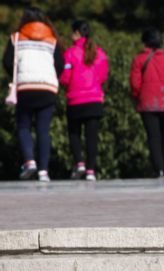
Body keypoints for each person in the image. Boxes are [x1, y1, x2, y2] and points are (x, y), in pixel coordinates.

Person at [3, 7, 63, 182]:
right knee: (43, 130)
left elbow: (7, 62)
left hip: (25, 87)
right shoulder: (52, 40)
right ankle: (44, 171)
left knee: (23, 126)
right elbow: (60, 64)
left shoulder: (16, 38)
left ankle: (29, 162)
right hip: (47, 87)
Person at [130, 28, 164, 178]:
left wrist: (137, 97)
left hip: (147, 103)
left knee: (153, 137)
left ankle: (158, 168)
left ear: (145, 43)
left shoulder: (139, 59)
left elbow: (135, 84)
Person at [59, 20, 108, 181]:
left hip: (75, 99)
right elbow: (103, 76)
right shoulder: (99, 53)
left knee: (74, 133)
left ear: (77, 33)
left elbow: (65, 77)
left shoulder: (70, 53)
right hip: (94, 99)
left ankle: (79, 162)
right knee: (92, 137)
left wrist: (68, 86)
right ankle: (91, 171)